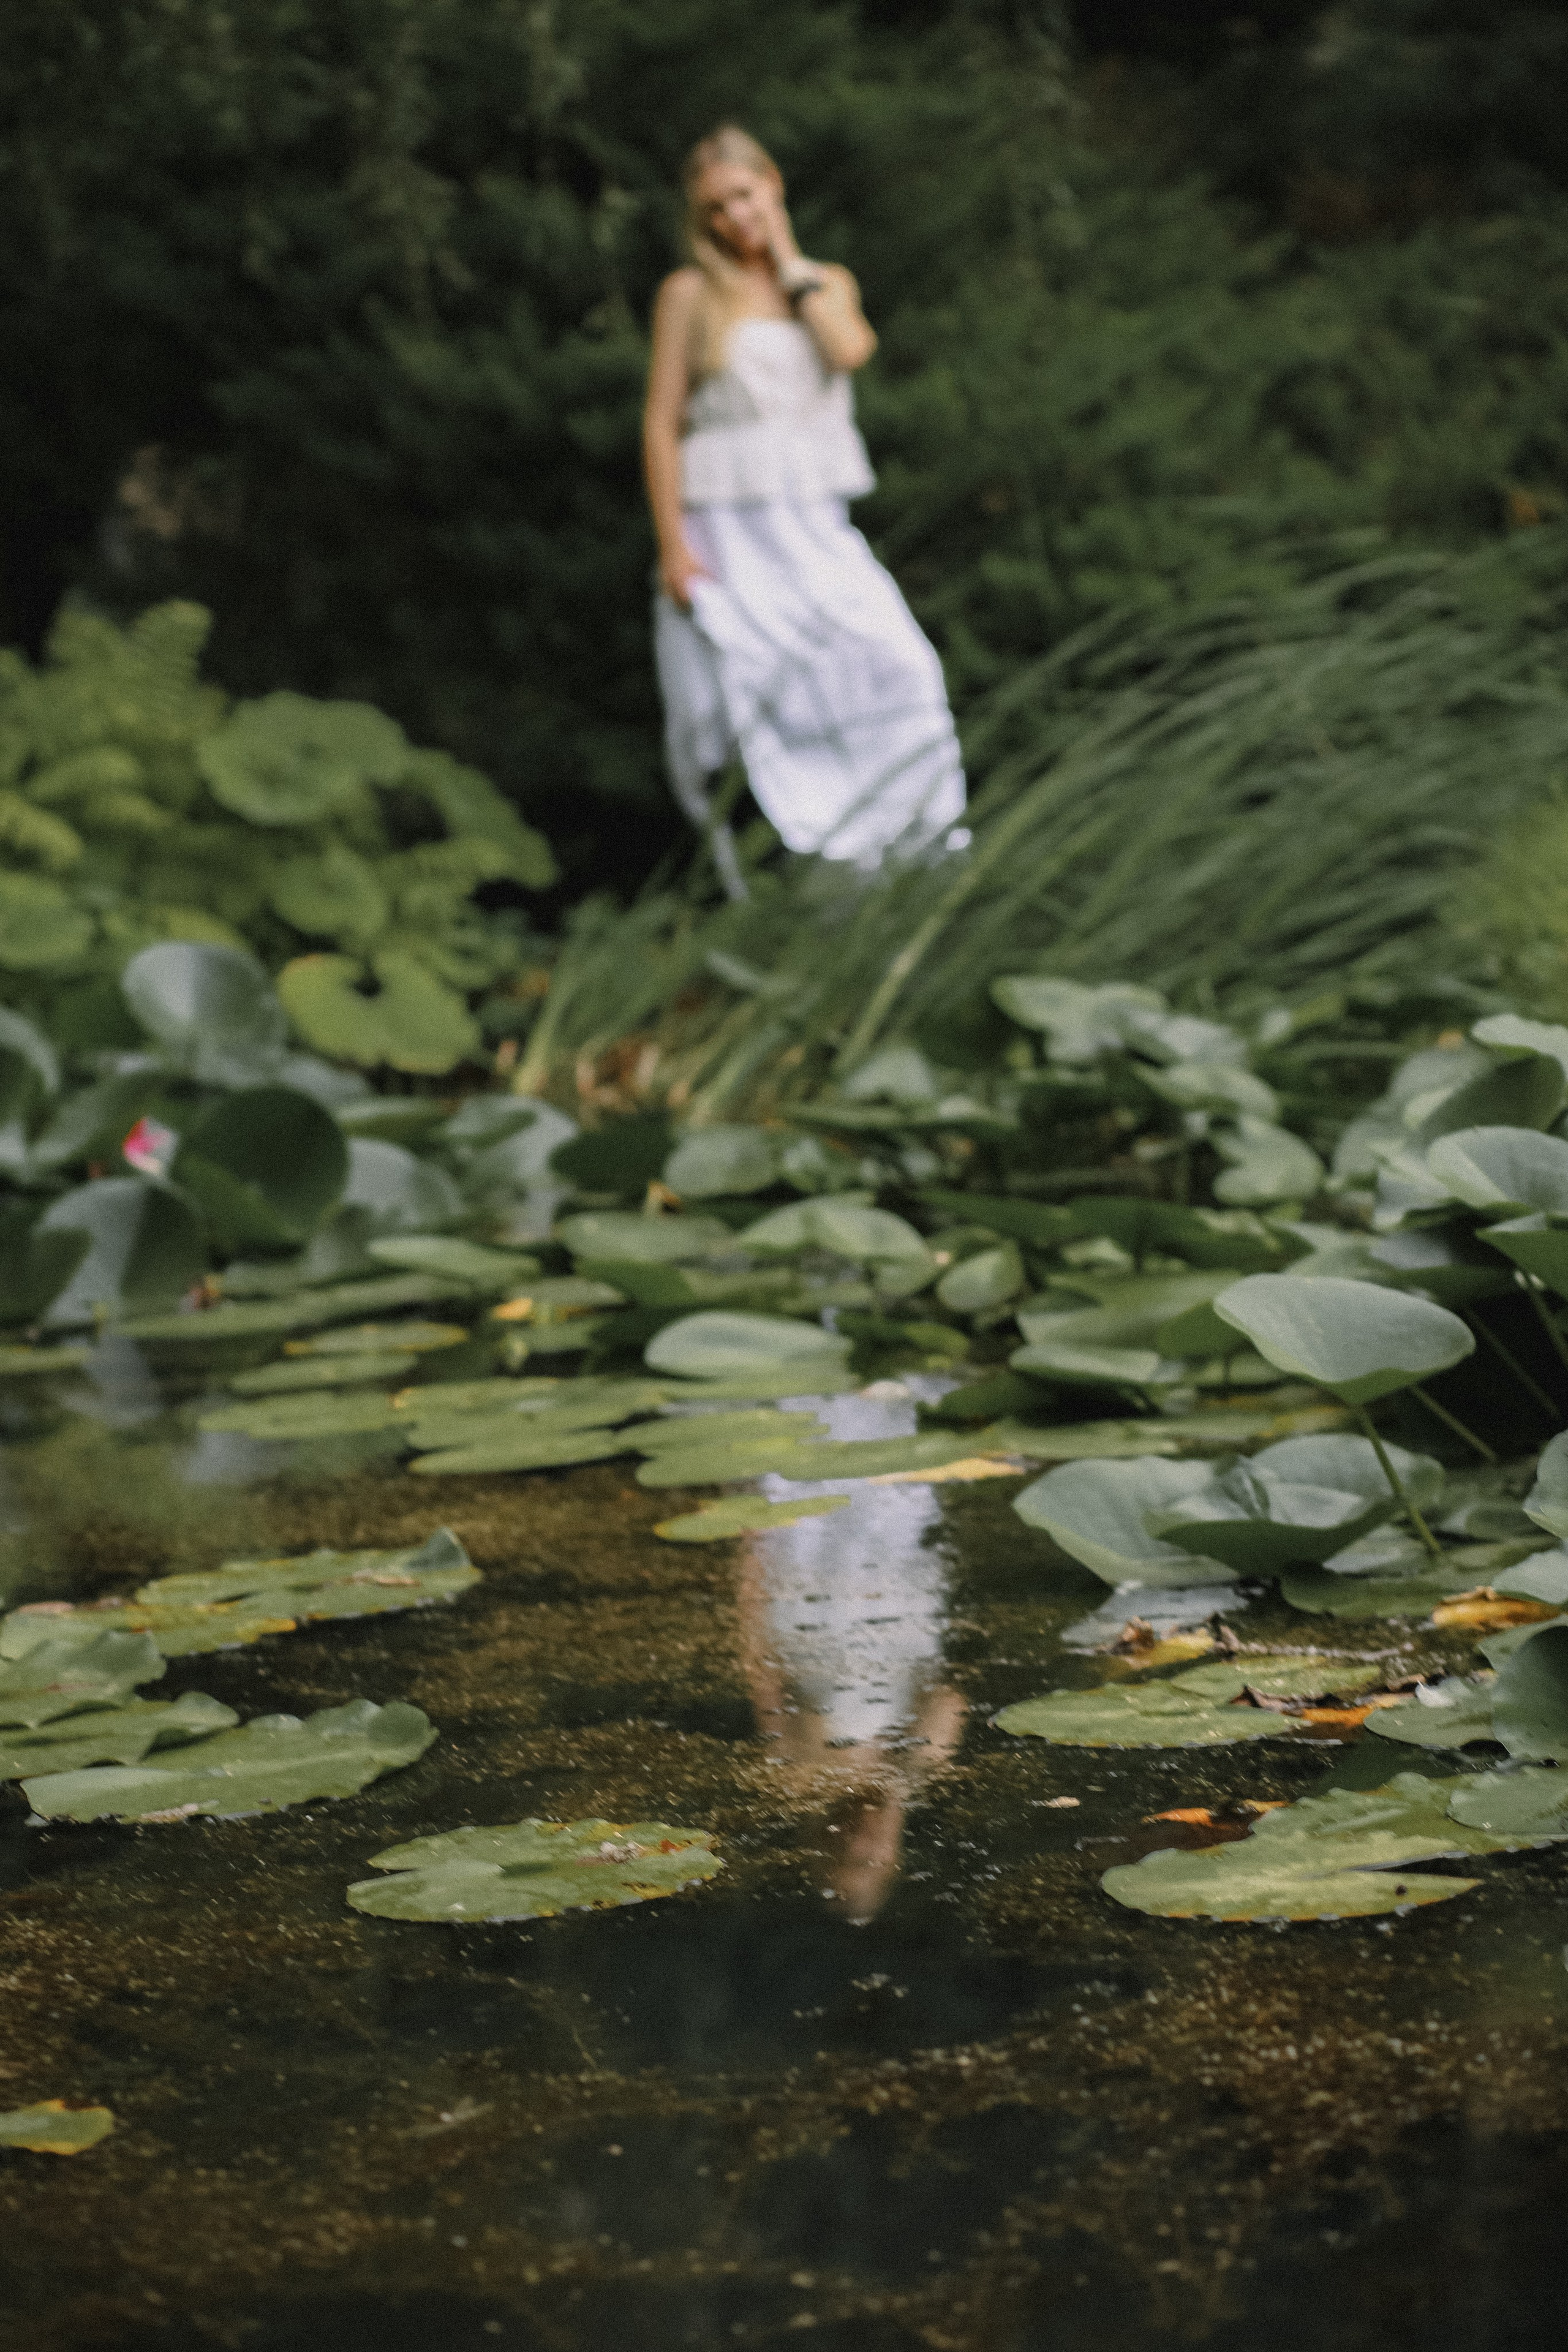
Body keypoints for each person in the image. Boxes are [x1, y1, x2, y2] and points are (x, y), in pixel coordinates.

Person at [643, 126, 966, 897]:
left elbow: (848, 351)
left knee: (897, 665)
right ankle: (798, 877)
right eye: (714, 208)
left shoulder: (824, 283)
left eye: (743, 196)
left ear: (773, 187)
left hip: (814, 523)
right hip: (726, 525)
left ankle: (910, 851)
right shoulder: (689, 295)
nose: (732, 219)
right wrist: (675, 549)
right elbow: (661, 422)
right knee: (752, 696)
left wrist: (788, 263)